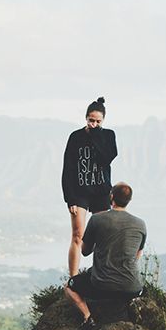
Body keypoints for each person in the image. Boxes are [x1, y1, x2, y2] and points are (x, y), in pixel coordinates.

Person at [64, 182, 147, 330]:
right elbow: (138, 254)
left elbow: (85, 251)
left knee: (69, 287)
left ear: (111, 197)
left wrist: (101, 244)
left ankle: (88, 318)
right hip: (133, 289)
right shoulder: (141, 224)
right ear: (129, 200)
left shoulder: (97, 219)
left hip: (102, 286)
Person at [62, 97, 118, 277]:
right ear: (86, 118)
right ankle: (73, 277)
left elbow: (106, 158)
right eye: (91, 120)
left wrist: (96, 137)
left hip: (101, 192)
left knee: (101, 236)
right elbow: (68, 168)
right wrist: (69, 198)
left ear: (103, 121)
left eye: (98, 121)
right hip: (79, 193)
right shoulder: (75, 137)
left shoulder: (108, 136)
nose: (94, 124)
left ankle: (100, 274)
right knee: (77, 235)